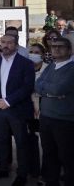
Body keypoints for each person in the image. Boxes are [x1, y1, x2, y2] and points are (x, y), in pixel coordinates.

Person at [0, 34, 34, 186]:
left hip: (17, 109)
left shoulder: (26, 63)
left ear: (16, 45)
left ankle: (22, 174)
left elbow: (27, 87)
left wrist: (8, 101)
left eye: (9, 43)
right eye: (3, 42)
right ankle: (2, 169)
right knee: (1, 140)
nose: (5, 45)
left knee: (21, 142)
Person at [35, 37, 74, 186]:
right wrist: (50, 92)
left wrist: (48, 90)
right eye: (53, 46)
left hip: (64, 120)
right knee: (49, 154)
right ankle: (51, 182)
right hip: (46, 117)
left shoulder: (71, 68)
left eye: (61, 46)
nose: (56, 49)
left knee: (67, 156)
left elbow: (59, 89)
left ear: (69, 50)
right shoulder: (51, 66)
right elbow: (37, 85)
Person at [27, 43, 47, 179]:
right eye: (31, 51)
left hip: (45, 109)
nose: (33, 54)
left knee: (47, 143)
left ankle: (46, 172)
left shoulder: (49, 69)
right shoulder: (25, 68)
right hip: (28, 109)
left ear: (42, 54)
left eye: (36, 52)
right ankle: (33, 170)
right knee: (31, 140)